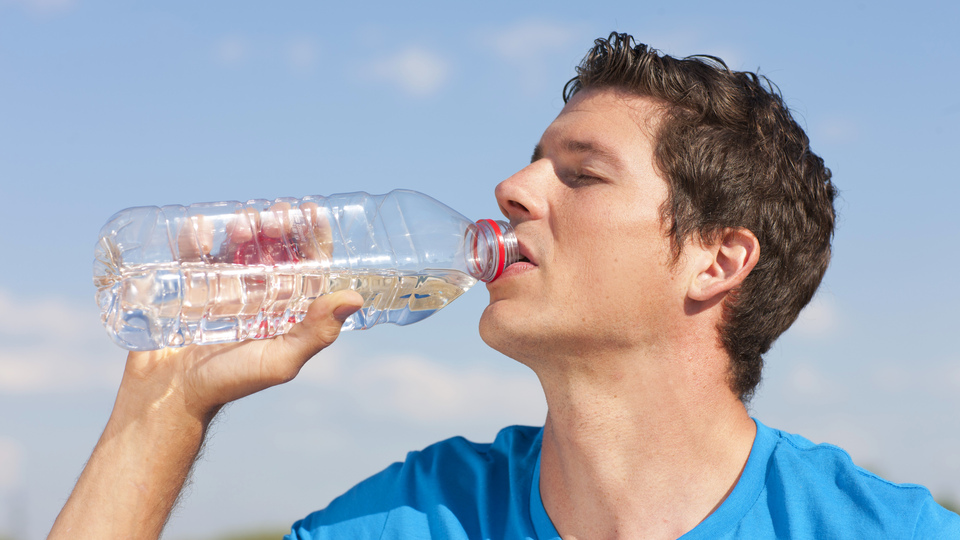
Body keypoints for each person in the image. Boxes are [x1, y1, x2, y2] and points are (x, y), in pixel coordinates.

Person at [49, 32, 960, 540]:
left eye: (582, 173)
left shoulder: (882, 532)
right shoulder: (419, 517)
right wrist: (165, 406)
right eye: (531, 163)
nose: (513, 189)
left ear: (715, 260)